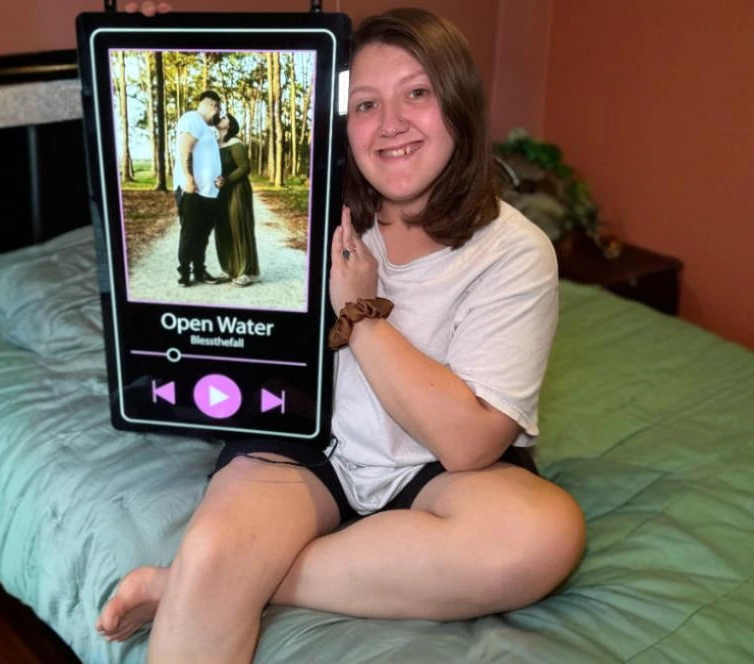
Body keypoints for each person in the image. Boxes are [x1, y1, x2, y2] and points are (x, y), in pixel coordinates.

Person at [98, 8, 585, 662]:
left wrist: (361, 314)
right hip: (306, 447)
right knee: (213, 550)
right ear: (344, 125)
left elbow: (469, 443)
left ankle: (208, 583)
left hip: (435, 469)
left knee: (542, 536)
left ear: (460, 105)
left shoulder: (514, 252)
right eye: (365, 104)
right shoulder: (320, 213)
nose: (391, 124)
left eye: (417, 93)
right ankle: (215, 574)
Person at [172, 90, 227, 286]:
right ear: (213, 105)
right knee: (190, 233)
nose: (218, 114)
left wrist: (219, 179)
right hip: (193, 190)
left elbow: (208, 159)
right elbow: (184, 149)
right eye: (218, 109)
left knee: (202, 236)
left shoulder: (206, 129)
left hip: (208, 193)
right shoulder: (192, 118)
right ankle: (184, 273)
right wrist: (188, 179)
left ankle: (199, 271)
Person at [213, 113, 260, 286]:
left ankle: (245, 272)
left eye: (224, 117)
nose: (220, 117)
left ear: (230, 125)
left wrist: (226, 180)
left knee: (239, 228)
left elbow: (244, 167)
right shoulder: (215, 144)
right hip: (221, 192)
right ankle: (228, 269)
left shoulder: (235, 143)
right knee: (222, 229)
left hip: (237, 190)